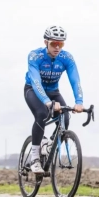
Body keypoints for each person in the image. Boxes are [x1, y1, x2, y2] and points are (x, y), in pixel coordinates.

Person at [24, 25, 84, 174]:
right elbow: (36, 82)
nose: (57, 47)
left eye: (61, 44)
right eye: (53, 44)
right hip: (33, 90)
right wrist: (47, 102)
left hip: (53, 91)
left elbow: (75, 80)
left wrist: (79, 101)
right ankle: (35, 158)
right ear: (46, 43)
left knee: (65, 118)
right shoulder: (35, 56)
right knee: (41, 114)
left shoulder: (66, 58)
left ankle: (50, 144)